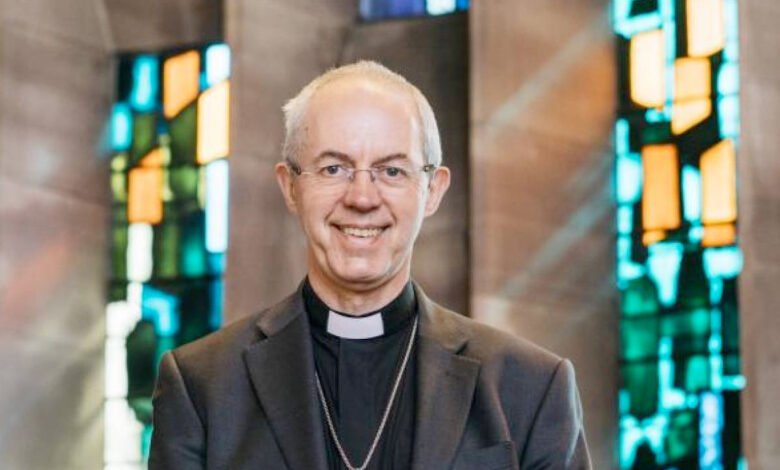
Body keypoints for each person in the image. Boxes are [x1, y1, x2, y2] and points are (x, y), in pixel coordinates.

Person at [150, 61, 591, 470]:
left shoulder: (531, 388)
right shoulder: (203, 387)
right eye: (333, 168)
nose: (362, 198)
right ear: (290, 187)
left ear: (433, 190)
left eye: (392, 171)